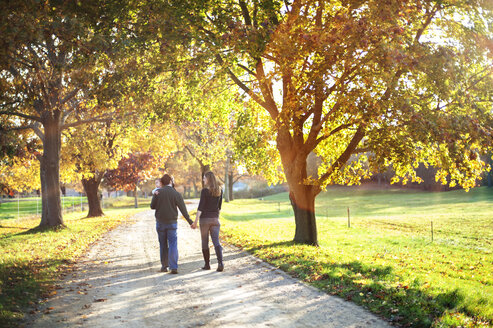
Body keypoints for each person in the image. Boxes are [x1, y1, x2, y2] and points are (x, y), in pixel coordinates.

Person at [151, 174, 193, 274]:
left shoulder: (158, 192)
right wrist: (190, 222)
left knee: (163, 244)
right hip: (172, 223)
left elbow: (152, 206)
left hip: (160, 222)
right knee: (173, 244)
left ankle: (164, 266)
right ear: (170, 181)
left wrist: (155, 196)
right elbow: (183, 210)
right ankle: (173, 267)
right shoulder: (176, 194)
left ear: (162, 182)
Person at [191, 171, 224, 272]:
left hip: (204, 220)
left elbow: (200, 207)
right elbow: (219, 207)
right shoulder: (220, 190)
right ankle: (220, 263)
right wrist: (215, 217)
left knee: (204, 242)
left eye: (204, 178)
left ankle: (207, 265)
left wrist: (195, 221)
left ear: (208, 179)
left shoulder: (205, 191)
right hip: (215, 220)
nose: (203, 179)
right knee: (216, 241)